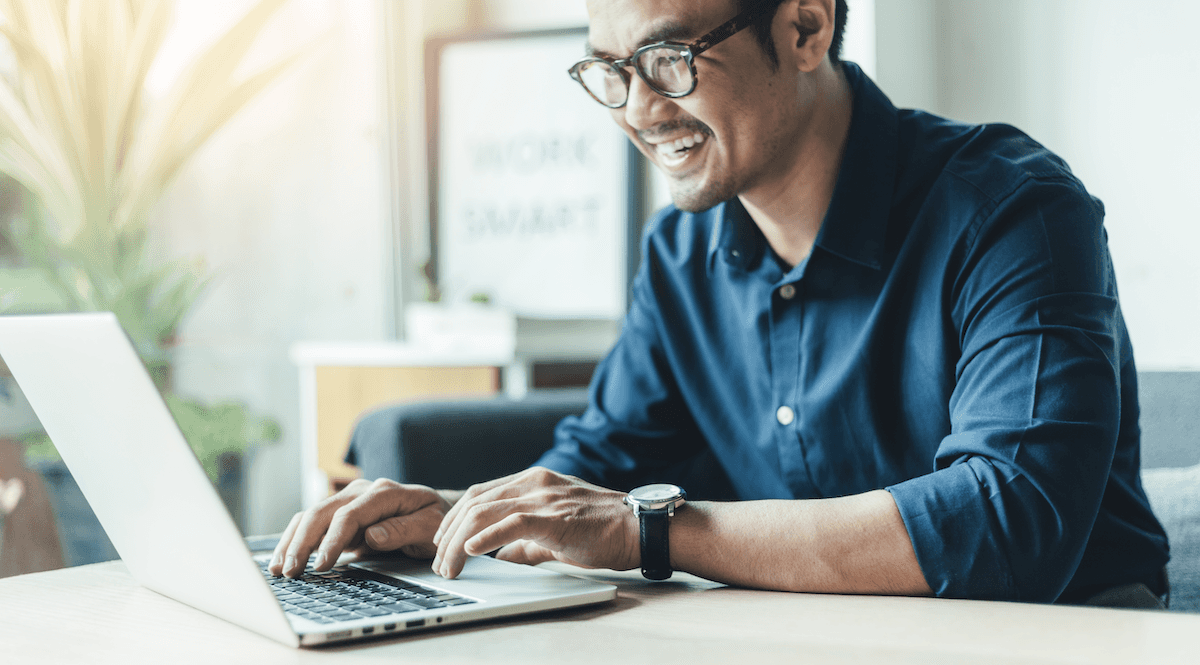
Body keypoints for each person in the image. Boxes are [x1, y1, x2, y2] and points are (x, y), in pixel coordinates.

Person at [271, 0, 1169, 606]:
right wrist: (459, 512)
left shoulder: (1013, 210)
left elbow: (1011, 521)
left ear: (805, 28)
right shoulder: (679, 254)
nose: (639, 110)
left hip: (1055, 659)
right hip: (800, 662)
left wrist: (651, 533)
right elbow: (600, 463)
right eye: (609, 71)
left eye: (667, 59)